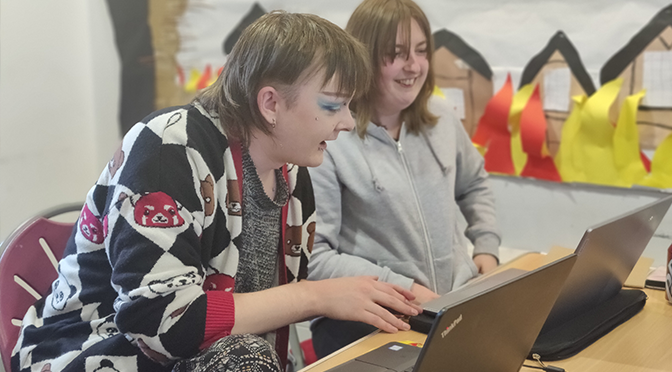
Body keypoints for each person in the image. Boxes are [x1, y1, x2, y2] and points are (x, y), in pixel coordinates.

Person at [11, 11, 422, 372]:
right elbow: (161, 324)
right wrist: (313, 296)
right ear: (270, 104)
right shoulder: (165, 149)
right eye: (334, 106)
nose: (348, 122)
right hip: (97, 354)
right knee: (243, 357)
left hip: (219, 358)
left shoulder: (293, 173)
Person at [307, 0, 501, 358]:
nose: (413, 65)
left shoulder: (442, 117)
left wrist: (486, 250)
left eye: (421, 51)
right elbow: (317, 258)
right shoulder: (330, 140)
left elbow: (474, 184)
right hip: (376, 322)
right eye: (395, 53)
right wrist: (405, 288)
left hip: (451, 309)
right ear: (364, 59)